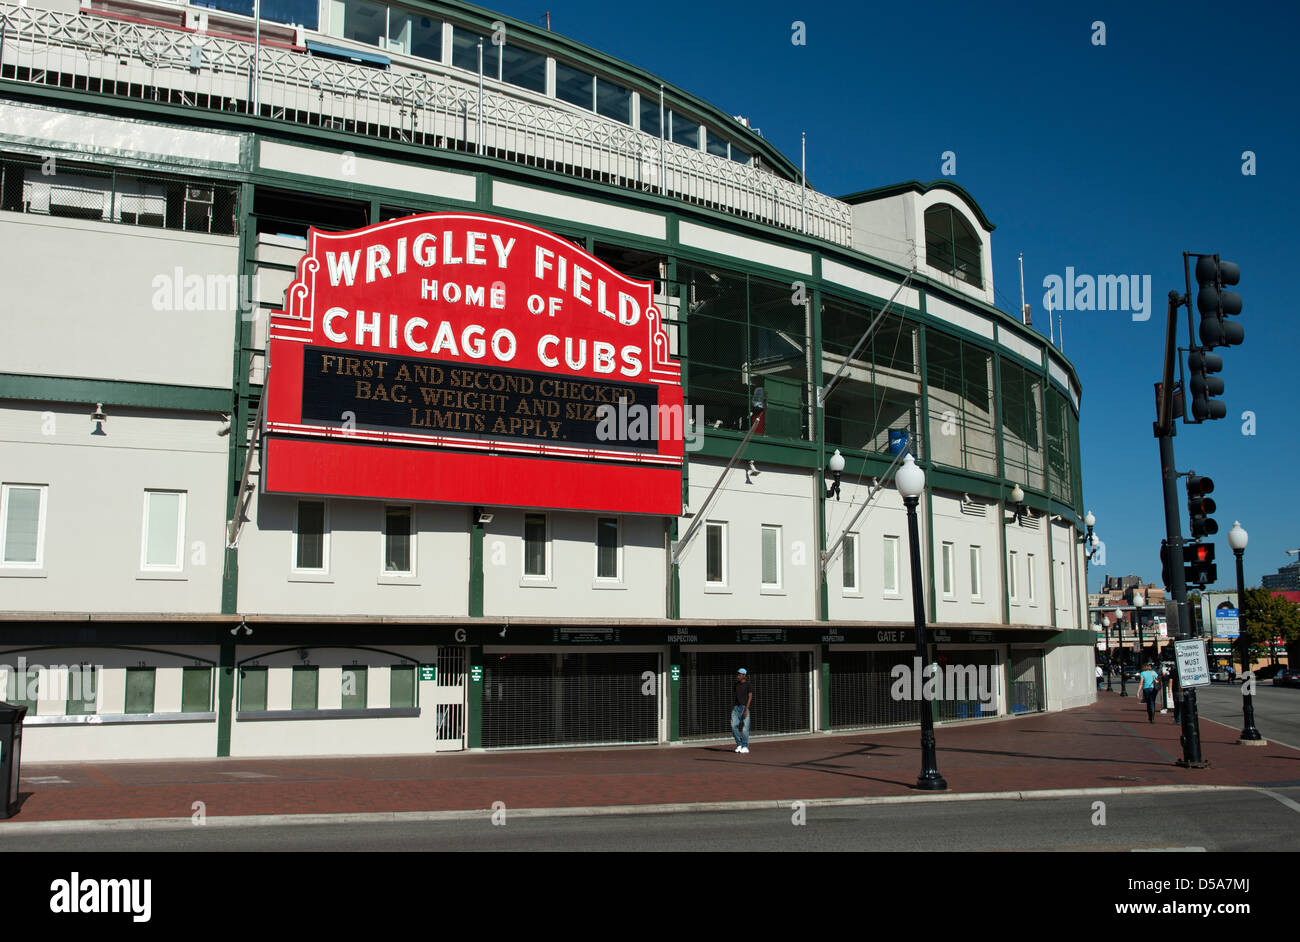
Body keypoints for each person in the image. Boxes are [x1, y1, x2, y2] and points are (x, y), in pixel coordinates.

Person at [731, 668, 753, 754]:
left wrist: (746, 709)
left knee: (745, 729)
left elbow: (750, 697)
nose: (738, 676)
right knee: (733, 726)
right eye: (738, 674)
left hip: (745, 708)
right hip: (736, 708)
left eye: (740, 674)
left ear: (744, 675)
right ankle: (739, 744)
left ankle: (745, 746)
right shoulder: (735, 684)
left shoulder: (748, 685)